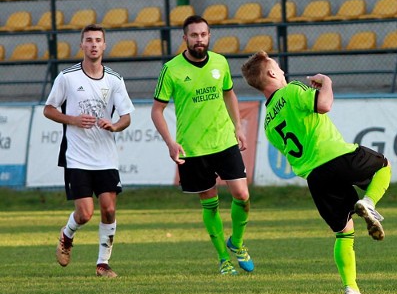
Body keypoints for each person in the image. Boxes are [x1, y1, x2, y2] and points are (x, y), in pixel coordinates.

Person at [241, 51, 391, 294]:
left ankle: (352, 290)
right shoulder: (292, 90)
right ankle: (368, 203)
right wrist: (327, 83)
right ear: (273, 73)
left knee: (344, 233)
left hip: (315, 176)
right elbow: (324, 105)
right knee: (383, 166)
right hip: (336, 155)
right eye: (277, 66)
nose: (282, 70)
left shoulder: (267, 122)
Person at [151, 15, 253, 276]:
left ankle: (237, 243)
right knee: (210, 203)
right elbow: (157, 111)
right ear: (184, 38)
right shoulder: (171, 69)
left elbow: (229, 93)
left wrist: (238, 126)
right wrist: (170, 143)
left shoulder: (220, 62)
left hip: (224, 141)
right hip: (193, 148)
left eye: (203, 34)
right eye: (194, 35)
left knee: (242, 195)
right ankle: (223, 259)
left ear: (209, 36)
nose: (199, 39)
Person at [44, 23, 135, 278]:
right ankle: (67, 234)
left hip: (106, 156)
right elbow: (49, 109)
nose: (94, 44)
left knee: (109, 210)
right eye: (89, 40)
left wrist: (115, 125)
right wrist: (72, 119)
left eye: (98, 40)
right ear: (81, 45)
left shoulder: (115, 80)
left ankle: (102, 264)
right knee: (84, 213)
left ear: (104, 45)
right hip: (77, 156)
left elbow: (126, 116)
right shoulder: (67, 77)